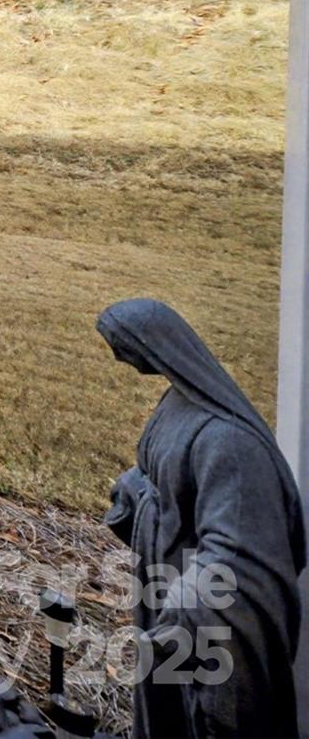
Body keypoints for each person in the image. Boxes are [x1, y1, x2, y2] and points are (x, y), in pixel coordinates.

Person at [99, 298, 306, 737]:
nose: (122, 359)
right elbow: (157, 473)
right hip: (165, 573)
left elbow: (237, 549)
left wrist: (187, 608)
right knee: (165, 699)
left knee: (206, 712)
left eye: (126, 348)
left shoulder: (228, 443)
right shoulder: (178, 402)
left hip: (200, 600)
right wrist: (135, 492)